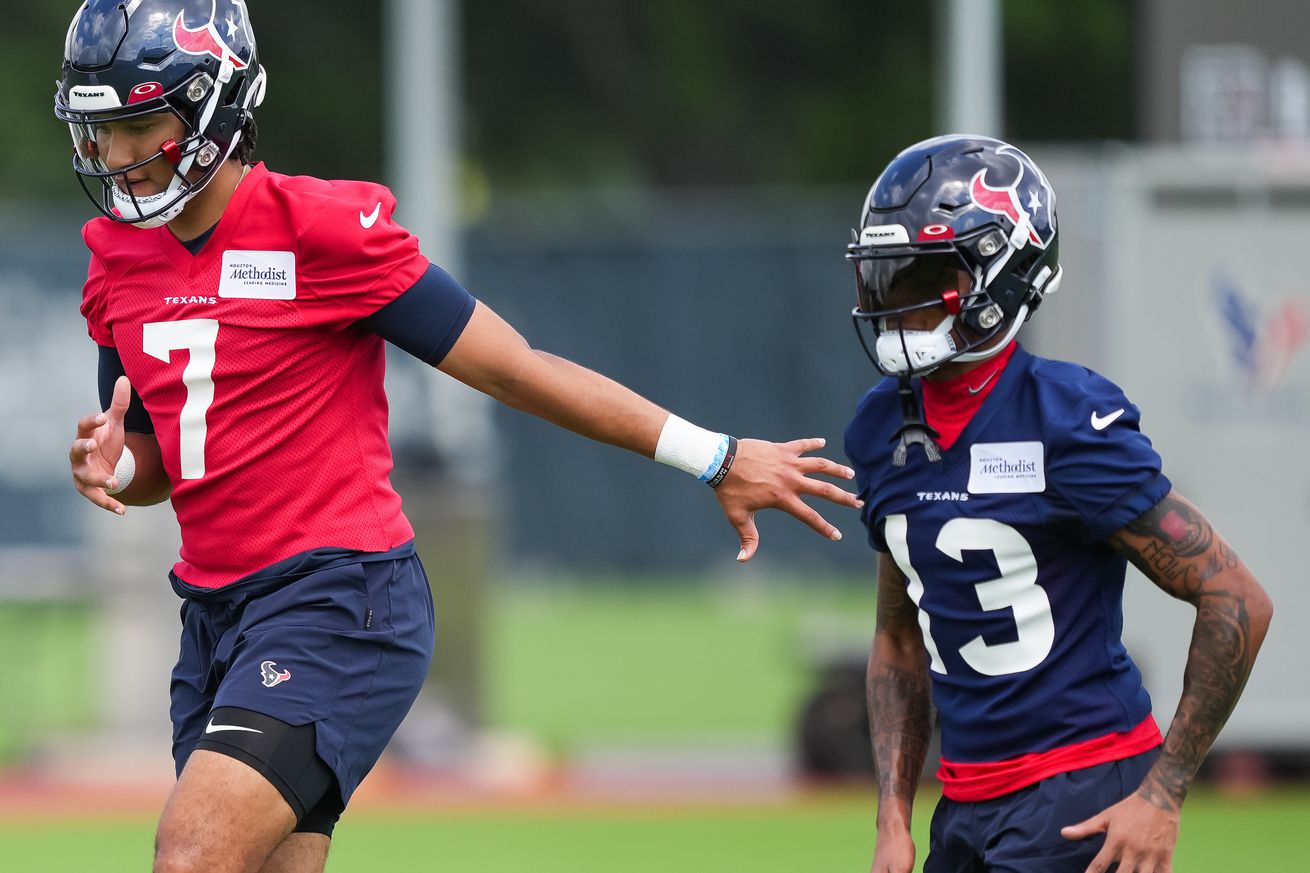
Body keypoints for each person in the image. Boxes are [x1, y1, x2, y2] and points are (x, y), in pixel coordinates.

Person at [54, 2, 861, 871]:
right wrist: (117, 464)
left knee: (192, 853)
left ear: (215, 109)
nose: (117, 156)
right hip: (216, 615)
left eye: (139, 124)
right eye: (101, 131)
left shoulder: (319, 227)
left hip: (338, 601)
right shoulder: (117, 255)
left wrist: (712, 455)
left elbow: (515, 367)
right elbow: (156, 465)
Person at [842, 134, 1273, 873]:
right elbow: (900, 632)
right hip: (964, 803)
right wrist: (891, 813)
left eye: (928, 275)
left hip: (1081, 795)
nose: (899, 301)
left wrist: (1162, 793)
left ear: (1006, 273)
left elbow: (1237, 597)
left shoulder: (1066, 419)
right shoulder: (883, 427)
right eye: (888, 276)